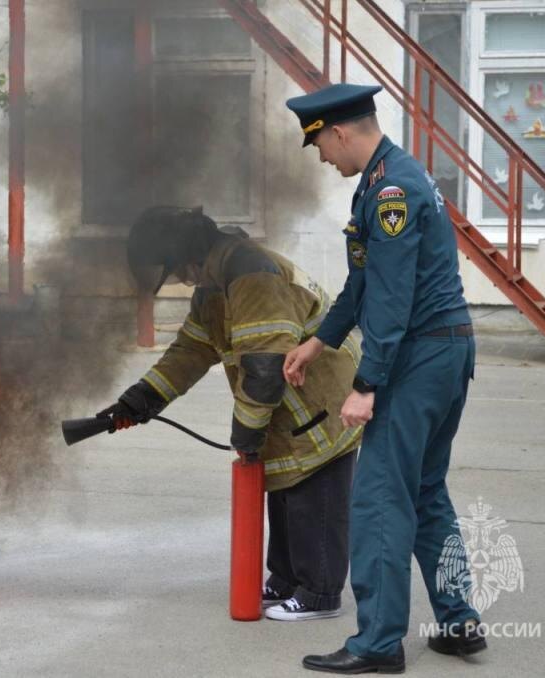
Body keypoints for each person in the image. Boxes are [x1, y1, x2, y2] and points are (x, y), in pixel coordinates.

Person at [283, 83, 484, 674]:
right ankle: (457, 619)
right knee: (424, 490)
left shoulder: (389, 190)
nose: (322, 159)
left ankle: (377, 643)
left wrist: (366, 385)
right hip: (446, 351)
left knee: (376, 499)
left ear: (340, 133)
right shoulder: (387, 178)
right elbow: (362, 286)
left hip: (417, 357)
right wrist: (319, 340)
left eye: (320, 146)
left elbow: (393, 300)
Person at [99, 206, 362, 620]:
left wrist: (246, 431)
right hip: (293, 406)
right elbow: (188, 353)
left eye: (179, 272)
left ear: (188, 256)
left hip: (321, 401)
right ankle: (286, 578)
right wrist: (138, 400)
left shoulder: (252, 274)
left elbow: (264, 368)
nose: (184, 282)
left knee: (314, 497)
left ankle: (319, 592)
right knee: (285, 493)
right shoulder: (217, 282)